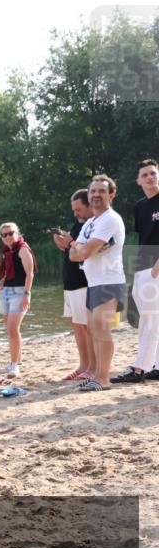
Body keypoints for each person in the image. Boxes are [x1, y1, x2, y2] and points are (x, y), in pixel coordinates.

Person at [67, 174, 125, 391]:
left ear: (111, 195)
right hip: (93, 283)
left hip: (110, 281)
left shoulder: (111, 218)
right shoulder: (91, 222)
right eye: (93, 191)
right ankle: (98, 376)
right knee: (94, 329)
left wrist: (84, 249)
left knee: (102, 329)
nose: (96, 195)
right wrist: (83, 249)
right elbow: (74, 254)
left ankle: (103, 378)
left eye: (101, 191)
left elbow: (85, 251)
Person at [112, 159, 159, 382]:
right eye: (145, 175)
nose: (150, 177)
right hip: (143, 266)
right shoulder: (140, 206)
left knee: (150, 320)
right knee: (151, 318)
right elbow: (144, 238)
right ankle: (157, 366)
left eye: (153, 173)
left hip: (156, 267)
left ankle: (139, 368)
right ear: (138, 181)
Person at [53, 189, 95, 381]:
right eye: (74, 209)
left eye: (78, 209)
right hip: (70, 283)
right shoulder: (78, 224)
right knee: (77, 325)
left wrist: (70, 243)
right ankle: (83, 365)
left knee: (87, 327)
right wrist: (63, 243)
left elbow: (85, 251)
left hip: (83, 282)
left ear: (89, 206)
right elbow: (72, 248)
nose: (75, 213)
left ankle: (92, 367)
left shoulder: (93, 225)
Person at [0, 222, 36, 378]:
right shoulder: (7, 251)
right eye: (4, 235)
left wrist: (27, 294)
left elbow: (29, 274)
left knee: (12, 329)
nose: (8, 237)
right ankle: (15, 362)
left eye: (11, 233)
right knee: (11, 331)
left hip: (19, 293)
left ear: (17, 233)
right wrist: (0, 284)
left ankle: (15, 366)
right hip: (5, 292)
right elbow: (9, 274)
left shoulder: (23, 249)